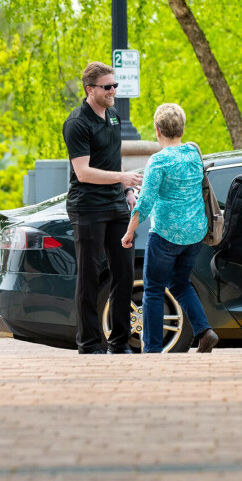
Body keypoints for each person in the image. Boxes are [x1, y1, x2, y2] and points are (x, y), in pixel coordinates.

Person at [121, 103, 218, 354]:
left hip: (166, 235)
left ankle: (152, 349)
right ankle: (204, 331)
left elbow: (145, 202)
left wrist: (129, 232)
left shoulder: (158, 161)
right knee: (180, 282)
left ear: (157, 130)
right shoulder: (193, 154)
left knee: (153, 288)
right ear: (182, 129)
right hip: (195, 233)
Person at [63, 62, 143, 354]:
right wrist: (123, 178)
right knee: (89, 276)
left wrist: (128, 189)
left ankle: (120, 342)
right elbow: (83, 172)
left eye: (115, 86)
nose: (113, 91)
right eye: (107, 87)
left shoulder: (113, 117)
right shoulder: (77, 123)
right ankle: (89, 343)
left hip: (115, 204)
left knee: (123, 274)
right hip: (87, 208)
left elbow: (112, 160)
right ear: (90, 90)